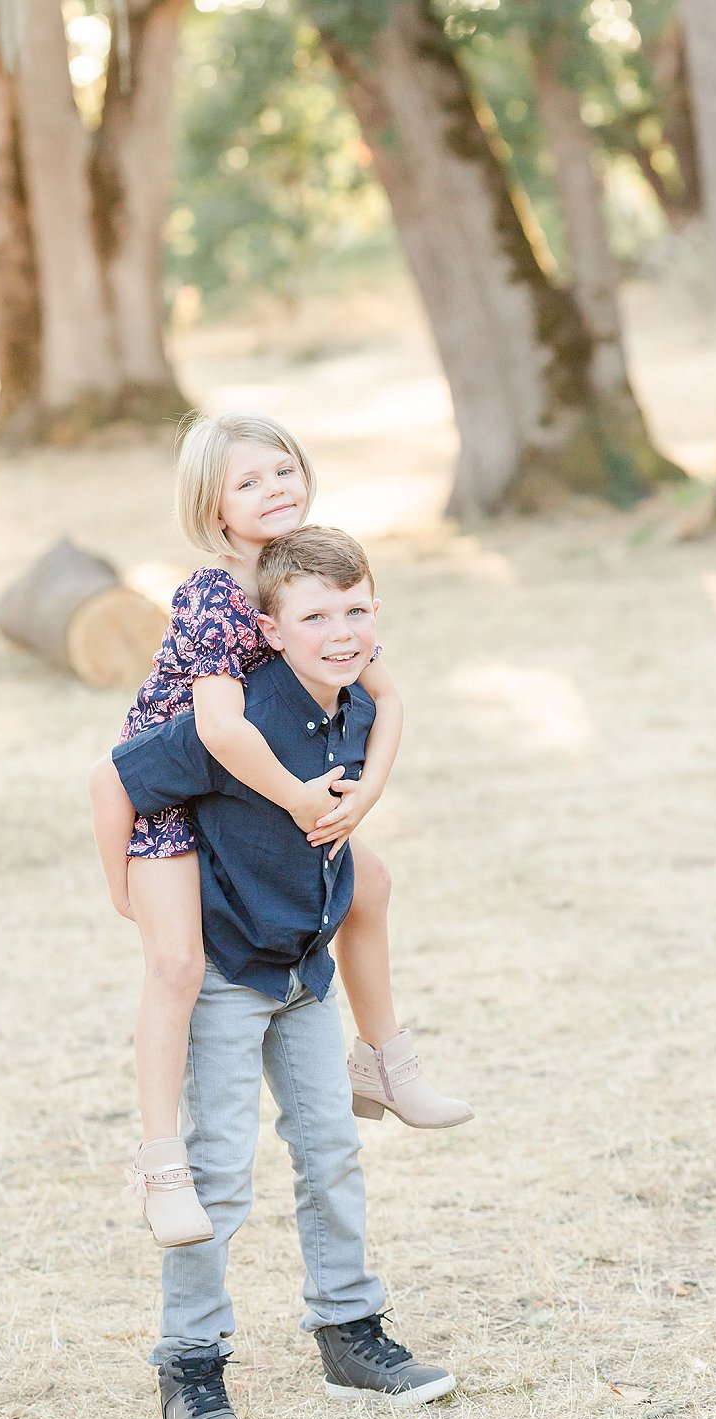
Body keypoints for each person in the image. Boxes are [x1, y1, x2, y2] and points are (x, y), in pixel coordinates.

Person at [91, 526, 458, 1419]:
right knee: (216, 1171)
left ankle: (349, 1331)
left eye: (356, 611)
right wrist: (123, 892)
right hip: (223, 976)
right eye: (316, 617)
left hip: (307, 974)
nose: (340, 631)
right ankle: (192, 1362)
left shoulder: (362, 712)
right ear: (270, 629)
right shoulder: (236, 721)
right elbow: (119, 780)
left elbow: (378, 755)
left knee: (332, 1150)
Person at [88, 413, 469, 1250]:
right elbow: (218, 735)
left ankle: (384, 1062)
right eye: (248, 482)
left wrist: (363, 795)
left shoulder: (315, 577)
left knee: (371, 883)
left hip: (260, 792)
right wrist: (301, 800)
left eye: (284, 471)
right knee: (177, 963)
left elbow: (391, 698)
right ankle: (160, 1168)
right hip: (174, 792)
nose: (274, 491)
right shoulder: (218, 594)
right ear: (213, 506)